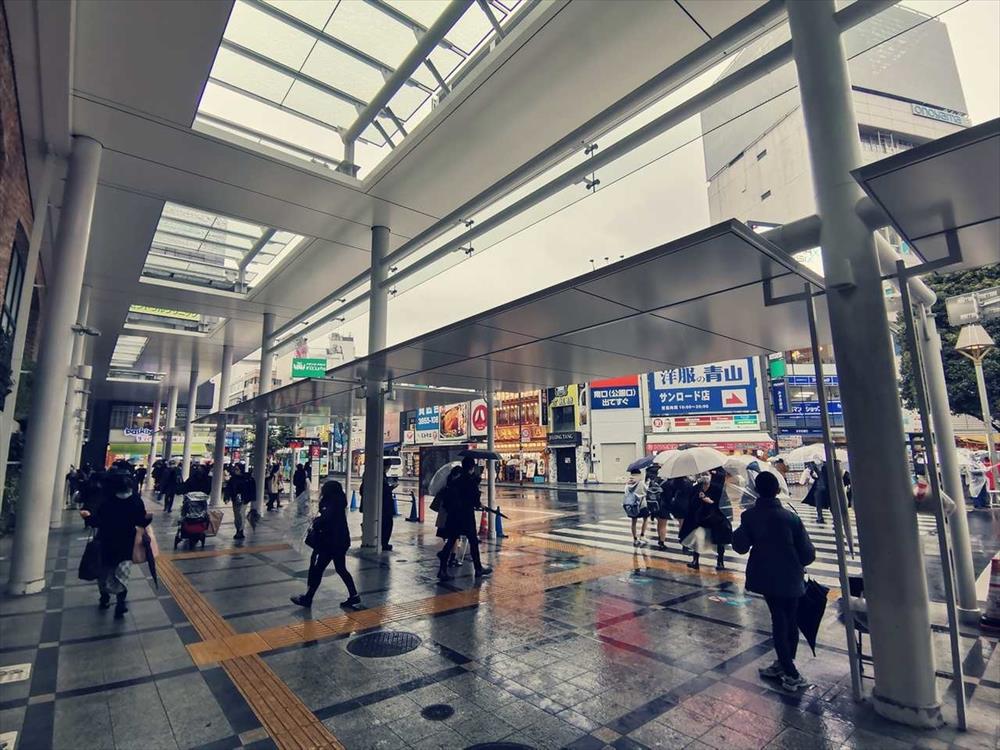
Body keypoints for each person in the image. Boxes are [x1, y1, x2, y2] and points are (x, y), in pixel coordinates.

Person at [733, 472, 816, 691]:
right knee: (790, 619)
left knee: (779, 620)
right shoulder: (791, 517)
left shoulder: (750, 516)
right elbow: (807, 554)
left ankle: (790, 671)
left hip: (766, 576)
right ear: (778, 490)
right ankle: (785, 665)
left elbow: (740, 546)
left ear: (757, 491)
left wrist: (739, 530)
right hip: (792, 575)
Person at [88, 470, 152, 618]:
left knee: (104, 572)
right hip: (126, 543)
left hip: (106, 541)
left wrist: (89, 518)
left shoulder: (106, 500)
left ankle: (104, 598)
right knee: (123, 573)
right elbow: (140, 520)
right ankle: (120, 603)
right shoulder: (135, 500)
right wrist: (148, 520)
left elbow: (97, 519)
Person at [291, 480, 360, 608]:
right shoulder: (338, 501)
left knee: (319, 569)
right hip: (340, 541)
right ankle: (354, 595)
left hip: (330, 543)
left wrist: (316, 521)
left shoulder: (331, 503)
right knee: (340, 568)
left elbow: (326, 520)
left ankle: (308, 598)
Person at [436, 457, 492, 580]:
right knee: (473, 542)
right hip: (466, 518)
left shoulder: (456, 481)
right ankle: (478, 569)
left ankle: (442, 569)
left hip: (454, 517)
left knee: (451, 542)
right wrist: (479, 503)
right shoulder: (471, 482)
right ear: (472, 467)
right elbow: (475, 501)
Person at [226, 462, 256, 540]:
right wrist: (227, 497)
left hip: (243, 500)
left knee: (241, 514)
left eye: (237, 469)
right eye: (235, 469)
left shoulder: (246, 478)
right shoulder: (233, 479)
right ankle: (238, 529)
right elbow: (229, 488)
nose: (236, 470)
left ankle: (241, 530)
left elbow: (250, 489)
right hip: (235, 500)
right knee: (237, 515)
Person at [624, 469, 649, 547]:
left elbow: (626, 493)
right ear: (639, 474)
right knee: (645, 519)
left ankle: (635, 539)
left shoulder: (628, 483)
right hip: (642, 505)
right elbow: (646, 491)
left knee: (633, 522)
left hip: (632, 505)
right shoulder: (641, 482)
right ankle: (642, 535)